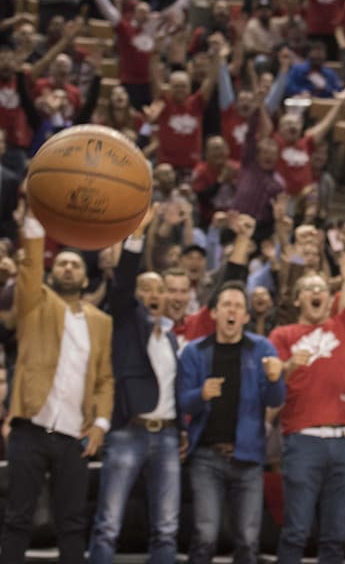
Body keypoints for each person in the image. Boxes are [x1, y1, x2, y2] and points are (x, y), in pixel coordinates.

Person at [1, 211, 114, 564]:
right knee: (17, 519)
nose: (67, 268)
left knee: (72, 524)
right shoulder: (34, 304)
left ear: (85, 279)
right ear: (51, 274)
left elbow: (104, 379)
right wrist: (35, 220)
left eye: (75, 265)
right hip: (29, 428)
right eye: (62, 263)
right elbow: (31, 266)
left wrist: (100, 424)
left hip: (73, 437)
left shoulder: (101, 322)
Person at [268, 201, 345, 563]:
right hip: (303, 440)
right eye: (309, 288)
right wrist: (286, 367)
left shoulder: (343, 326)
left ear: (329, 299)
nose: (317, 291)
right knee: (296, 532)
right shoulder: (282, 335)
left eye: (322, 288)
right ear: (298, 298)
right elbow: (272, 388)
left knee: (336, 537)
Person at [89, 207, 184, 564]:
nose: (154, 294)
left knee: (167, 528)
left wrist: (182, 426)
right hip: (129, 431)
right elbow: (124, 282)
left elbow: (172, 388)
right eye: (147, 288)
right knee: (108, 525)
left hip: (168, 436)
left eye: (160, 289)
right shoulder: (126, 321)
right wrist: (137, 236)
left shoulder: (172, 337)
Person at [179, 281, 286, 564]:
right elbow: (183, 402)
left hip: (248, 458)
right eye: (226, 305)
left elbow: (275, 399)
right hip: (206, 457)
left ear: (246, 317)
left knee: (249, 541)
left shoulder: (262, 348)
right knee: (205, 535)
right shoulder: (194, 352)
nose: (232, 311)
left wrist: (275, 378)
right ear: (214, 313)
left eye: (238, 306)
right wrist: (201, 394)